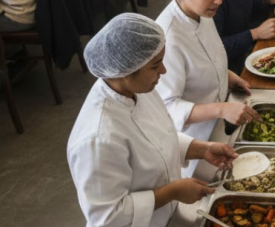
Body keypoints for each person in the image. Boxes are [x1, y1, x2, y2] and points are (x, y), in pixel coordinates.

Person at [68, 14, 238, 227]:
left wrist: (202, 149)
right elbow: (108, 217)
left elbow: (157, 135)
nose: (163, 71)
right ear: (126, 71)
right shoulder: (98, 138)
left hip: (169, 217)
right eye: (155, 65)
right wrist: (172, 192)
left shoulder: (137, 89)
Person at [156, 0, 258, 177]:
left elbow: (207, 57)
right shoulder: (169, 38)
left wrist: (227, 76)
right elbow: (168, 107)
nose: (219, 0)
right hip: (196, 145)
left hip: (220, 128)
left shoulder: (202, 12)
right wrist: (221, 109)